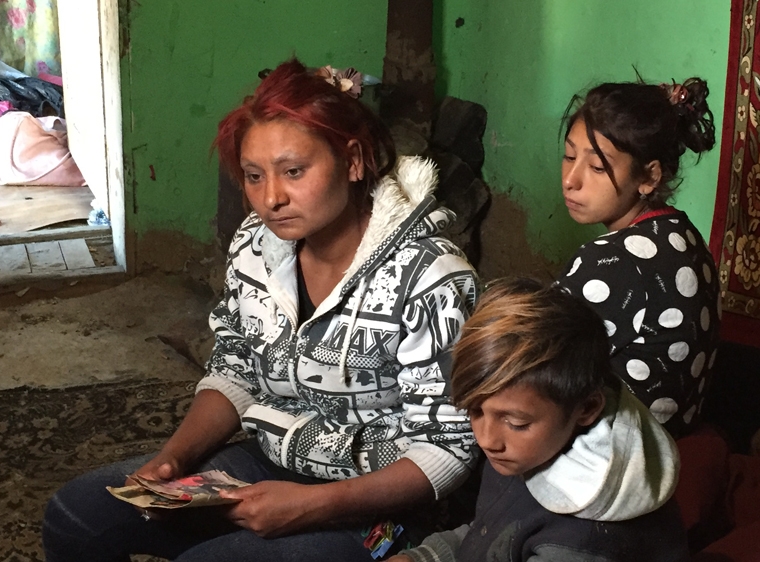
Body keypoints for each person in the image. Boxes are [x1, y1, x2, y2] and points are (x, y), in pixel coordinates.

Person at [41, 58, 481, 561]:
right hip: (275, 459)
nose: (271, 198)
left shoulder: (430, 278)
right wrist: (173, 459)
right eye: (253, 176)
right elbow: (235, 368)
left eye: (294, 172)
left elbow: (450, 449)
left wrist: (315, 505)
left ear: (354, 161)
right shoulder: (256, 245)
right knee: (76, 517)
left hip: (386, 504)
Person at [391, 278, 689, 562]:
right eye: (474, 411)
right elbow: (491, 534)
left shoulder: (582, 542)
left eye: (516, 423)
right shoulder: (524, 451)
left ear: (586, 408)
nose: (487, 440)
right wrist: (423, 556)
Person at [554, 78, 720, 439]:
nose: (571, 179)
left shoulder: (610, 262)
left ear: (648, 177)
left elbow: (535, 366)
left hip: (621, 461)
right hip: (676, 443)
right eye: (569, 156)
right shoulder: (683, 234)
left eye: (597, 167)